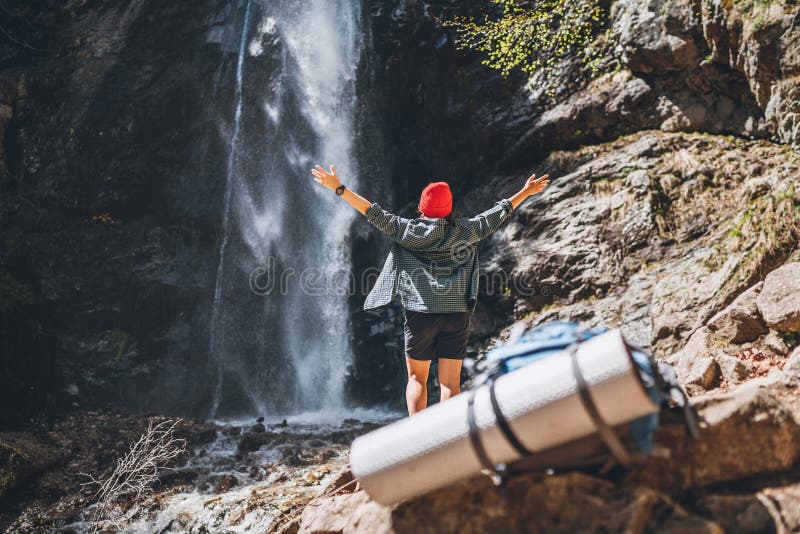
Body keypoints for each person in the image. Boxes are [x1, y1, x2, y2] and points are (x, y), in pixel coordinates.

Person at [311, 165, 549, 415]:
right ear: (449, 208)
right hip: (456, 314)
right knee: (450, 383)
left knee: (416, 379)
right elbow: (498, 213)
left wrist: (338, 187)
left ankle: (418, 433)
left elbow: (370, 211)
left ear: (422, 207)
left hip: (420, 315)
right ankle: (448, 434)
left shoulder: (407, 231)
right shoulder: (466, 231)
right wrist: (525, 192)